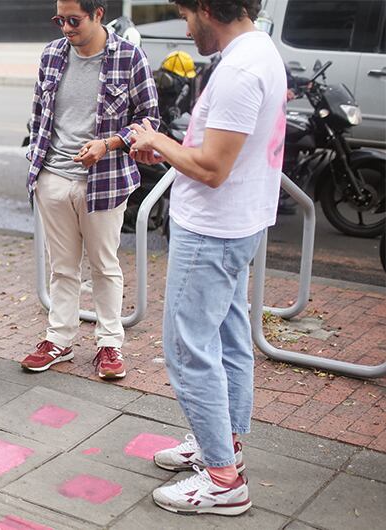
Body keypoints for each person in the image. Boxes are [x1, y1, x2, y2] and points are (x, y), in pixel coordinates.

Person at [128, 0, 286, 516]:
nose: (185, 25)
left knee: (187, 348)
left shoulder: (240, 68)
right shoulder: (260, 50)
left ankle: (221, 480)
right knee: (229, 338)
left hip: (212, 231)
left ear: (204, 7)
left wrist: (156, 140)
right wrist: (171, 148)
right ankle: (224, 447)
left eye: (184, 12)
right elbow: (218, 152)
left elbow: (213, 167)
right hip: (238, 223)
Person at [21, 0, 159, 380]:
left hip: (105, 180)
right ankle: (59, 340)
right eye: (58, 19)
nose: (65, 27)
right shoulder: (52, 54)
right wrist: (38, 162)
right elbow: (39, 113)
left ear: (98, 14)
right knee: (61, 267)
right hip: (52, 176)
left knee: (104, 265)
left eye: (73, 20)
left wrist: (110, 143)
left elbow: (150, 118)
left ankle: (109, 344)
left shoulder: (129, 57)